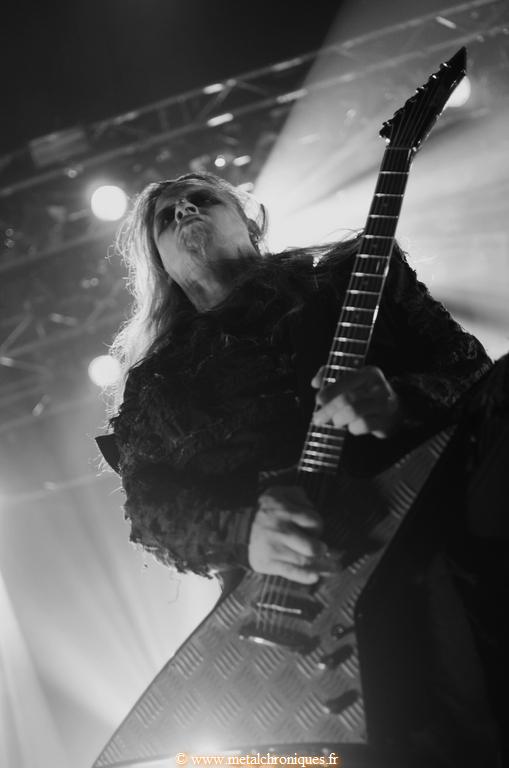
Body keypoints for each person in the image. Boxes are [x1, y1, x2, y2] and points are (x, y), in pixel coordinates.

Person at [96, 172, 506, 766]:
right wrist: (244, 532)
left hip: (437, 541)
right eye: (165, 216)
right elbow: (150, 512)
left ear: (250, 221)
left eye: (202, 198)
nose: (183, 209)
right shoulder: (155, 385)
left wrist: (402, 399)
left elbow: (475, 374)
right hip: (296, 622)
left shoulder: (354, 278)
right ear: (158, 263)